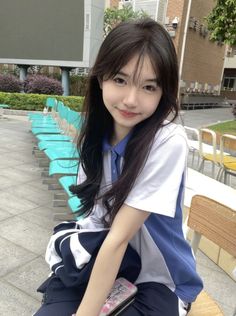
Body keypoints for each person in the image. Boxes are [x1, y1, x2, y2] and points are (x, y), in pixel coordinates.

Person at [34, 18, 203, 316]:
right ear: (101, 79)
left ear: (163, 92)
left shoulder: (167, 141)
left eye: (149, 86)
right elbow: (98, 222)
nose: (131, 100)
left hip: (158, 278)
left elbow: (119, 236)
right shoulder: (97, 134)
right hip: (109, 260)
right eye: (120, 80)